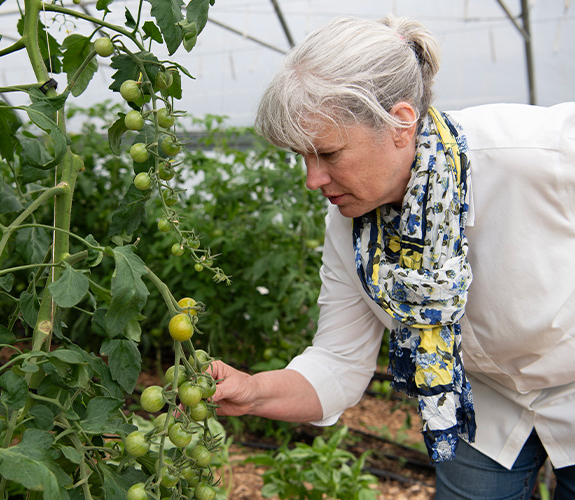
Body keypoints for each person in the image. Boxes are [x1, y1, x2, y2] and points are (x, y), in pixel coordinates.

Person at [208, 14, 575, 500]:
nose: (311, 180)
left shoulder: (538, 154)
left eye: (328, 154)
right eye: (303, 157)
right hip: (474, 402)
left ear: (400, 123)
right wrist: (254, 391)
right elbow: (338, 362)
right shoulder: (352, 229)